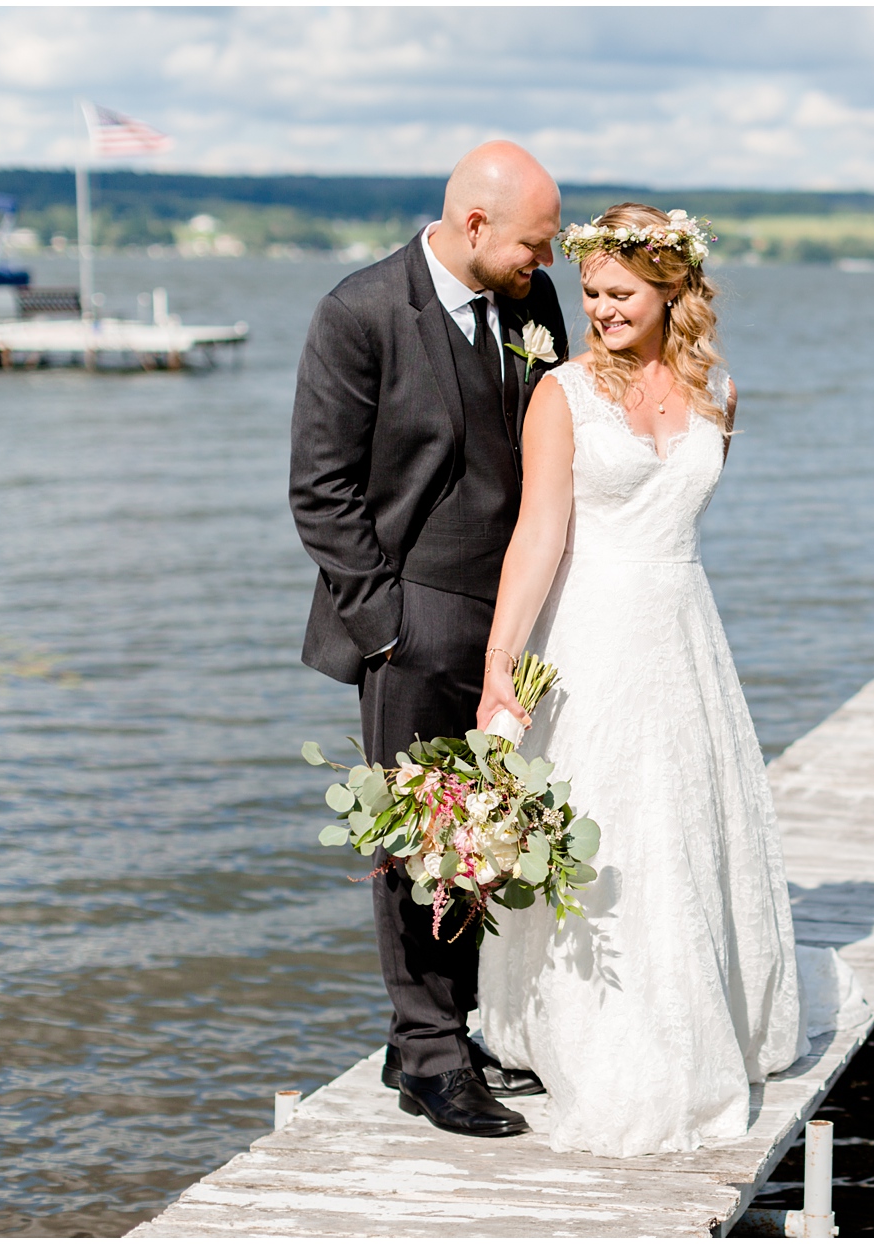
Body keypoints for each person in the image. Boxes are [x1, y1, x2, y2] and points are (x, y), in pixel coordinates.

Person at [472, 203, 810, 1156]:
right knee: (614, 830)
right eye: (589, 294)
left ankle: (707, 1024)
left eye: (620, 294)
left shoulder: (720, 393)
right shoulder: (562, 395)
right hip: (591, 641)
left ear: (672, 291)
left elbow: (681, 516)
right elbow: (539, 534)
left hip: (685, 635)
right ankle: (603, 1039)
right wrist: (502, 664)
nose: (600, 311)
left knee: (689, 827)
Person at [288, 141, 568, 1138]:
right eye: (538, 239)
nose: (551, 258)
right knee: (416, 842)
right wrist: (388, 631)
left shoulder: (532, 308)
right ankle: (431, 1051)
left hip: (508, 624)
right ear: (476, 223)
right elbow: (321, 492)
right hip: (409, 626)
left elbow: (550, 447)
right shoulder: (359, 314)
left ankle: (448, 1034)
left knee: (488, 834)